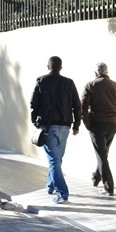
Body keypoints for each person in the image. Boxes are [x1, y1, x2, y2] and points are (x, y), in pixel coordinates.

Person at [30, 56, 82, 203]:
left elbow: (33, 103)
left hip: (48, 127)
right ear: (61, 67)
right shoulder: (69, 83)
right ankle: (50, 186)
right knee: (57, 159)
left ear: (48, 67)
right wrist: (76, 125)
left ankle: (62, 194)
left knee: (54, 161)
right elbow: (76, 105)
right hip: (65, 126)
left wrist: (34, 121)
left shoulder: (41, 81)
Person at [81, 62, 116, 196]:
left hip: (97, 124)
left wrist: (88, 124)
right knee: (103, 154)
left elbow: (83, 107)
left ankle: (109, 187)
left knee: (101, 155)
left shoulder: (90, 85)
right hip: (112, 125)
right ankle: (96, 177)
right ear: (107, 72)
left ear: (96, 73)